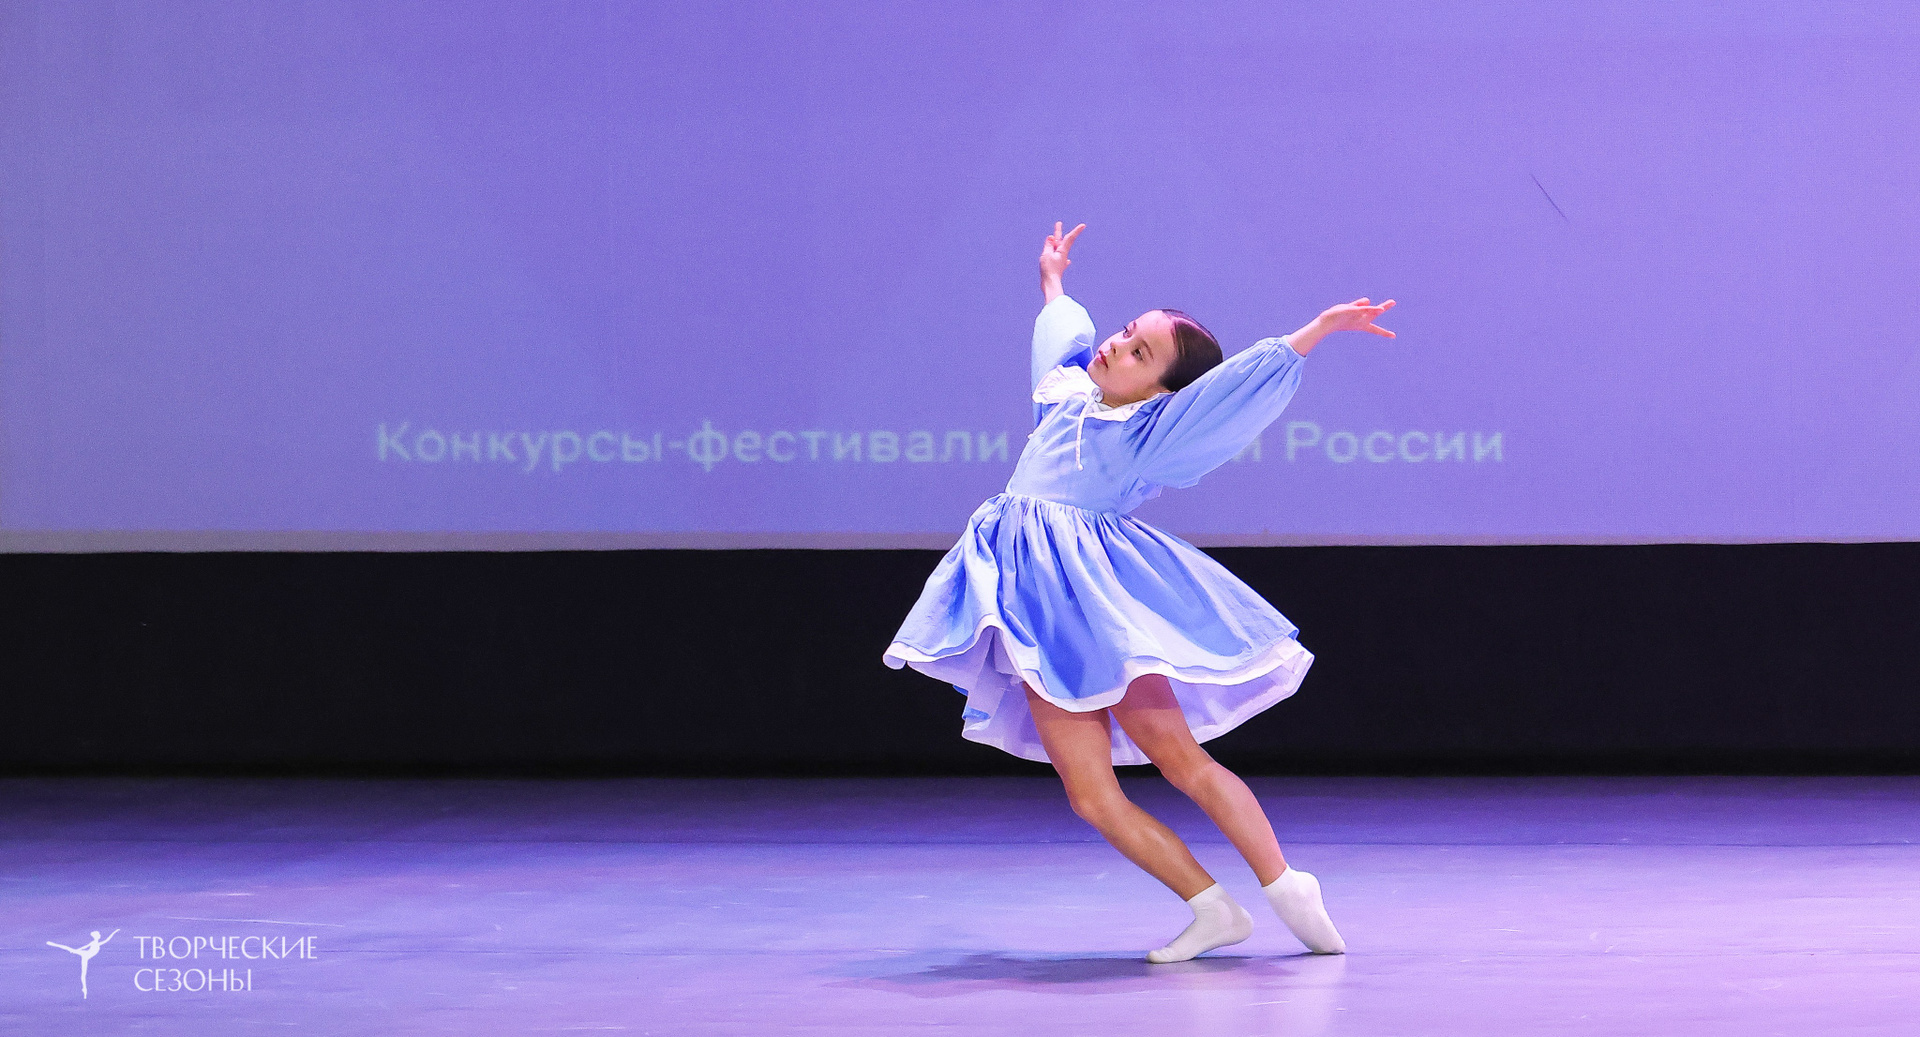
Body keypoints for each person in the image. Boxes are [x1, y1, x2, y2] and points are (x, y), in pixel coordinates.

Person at [883, 221, 1396, 963]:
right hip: (1036, 619)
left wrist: (1314, 332)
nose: (1116, 347)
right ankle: (1212, 907)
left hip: (1098, 609)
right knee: (1091, 796)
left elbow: (1227, 395)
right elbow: (1059, 338)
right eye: (1126, 333)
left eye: (1139, 352)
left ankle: (1286, 883)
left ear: (1160, 389)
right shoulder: (1064, 394)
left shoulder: (1149, 433)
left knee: (1181, 760)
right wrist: (1053, 279)